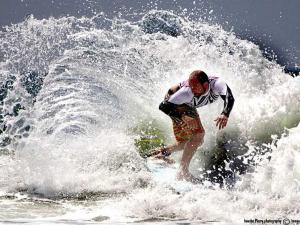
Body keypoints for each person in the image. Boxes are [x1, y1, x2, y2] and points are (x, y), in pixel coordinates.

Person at [150, 70, 235, 182]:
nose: (193, 90)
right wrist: (183, 116)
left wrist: (225, 114)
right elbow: (163, 106)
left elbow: (230, 97)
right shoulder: (187, 92)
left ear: (205, 85)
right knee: (198, 135)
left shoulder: (217, 84)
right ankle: (182, 171)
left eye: (196, 87)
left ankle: (162, 152)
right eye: (191, 87)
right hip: (174, 105)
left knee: (195, 141)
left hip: (183, 105)